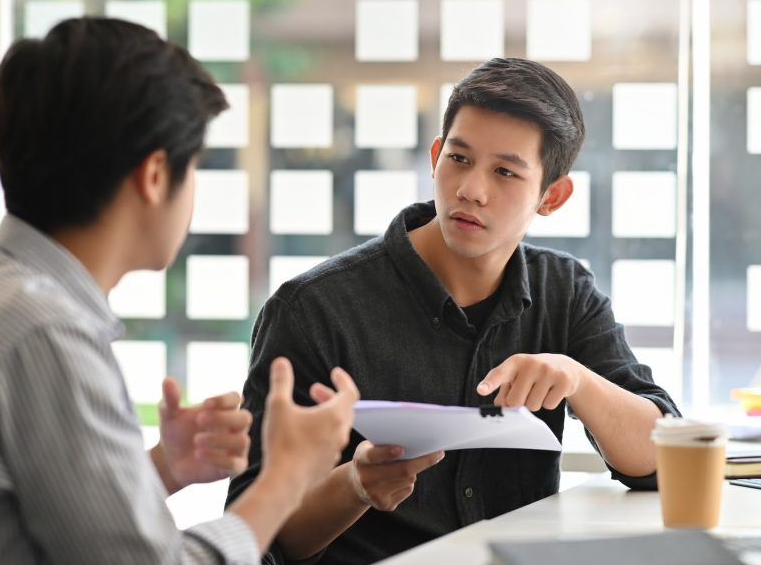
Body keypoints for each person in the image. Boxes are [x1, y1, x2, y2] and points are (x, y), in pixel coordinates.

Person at [226, 57, 681, 564]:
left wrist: (577, 379)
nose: (471, 190)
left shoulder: (565, 291)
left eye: (505, 171)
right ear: (436, 155)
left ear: (551, 196)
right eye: (459, 159)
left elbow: (664, 461)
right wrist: (353, 486)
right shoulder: (313, 309)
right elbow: (251, 540)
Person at [0, 17, 359, 564]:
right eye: (193, 164)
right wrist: (287, 477)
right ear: (153, 176)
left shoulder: (2, 291)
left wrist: (159, 468)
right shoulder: (43, 332)